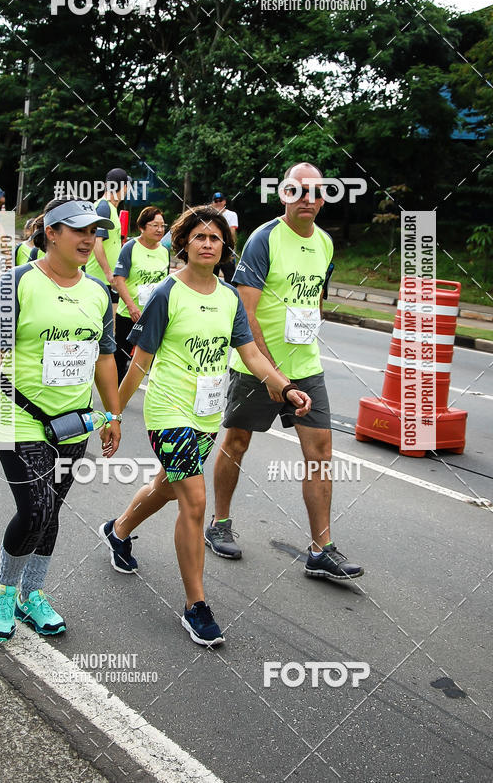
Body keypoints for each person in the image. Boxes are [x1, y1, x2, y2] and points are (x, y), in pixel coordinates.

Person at [97, 206, 311, 646]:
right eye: (200, 237)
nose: (208, 243)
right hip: (169, 411)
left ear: (224, 248)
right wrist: (114, 414)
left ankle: (118, 531)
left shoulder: (230, 297)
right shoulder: (165, 294)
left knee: (167, 485)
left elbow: (250, 355)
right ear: (185, 244)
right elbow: (140, 363)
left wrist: (284, 385)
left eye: (215, 238)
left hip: (207, 413)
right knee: (194, 500)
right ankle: (197, 606)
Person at [0, 197, 121, 643]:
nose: (90, 239)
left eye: (95, 232)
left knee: (53, 508)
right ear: (51, 233)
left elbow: (105, 358)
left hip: (73, 422)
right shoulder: (17, 283)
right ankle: (4, 591)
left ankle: (33, 594)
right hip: (16, 415)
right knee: (35, 508)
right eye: (79, 230)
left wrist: (112, 415)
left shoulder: (98, 292)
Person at [205, 162, 364, 582]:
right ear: (285, 195)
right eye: (299, 191)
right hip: (257, 365)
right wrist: (273, 373)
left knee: (320, 453)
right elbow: (246, 311)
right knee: (236, 442)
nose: (308, 199)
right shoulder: (264, 239)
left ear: (326, 197)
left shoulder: (326, 244)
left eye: (316, 192)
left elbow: (314, 299)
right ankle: (219, 523)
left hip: (306, 366)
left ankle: (321, 549)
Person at [111, 206, 170, 382]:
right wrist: (131, 306)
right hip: (129, 314)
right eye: (154, 225)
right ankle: (115, 397)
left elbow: (165, 284)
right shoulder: (130, 247)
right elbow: (118, 279)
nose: (160, 229)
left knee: (153, 357)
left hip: (153, 315)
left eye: (162, 225)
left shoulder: (164, 251)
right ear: (142, 227)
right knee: (121, 358)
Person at [85, 167, 129, 297]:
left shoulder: (110, 208)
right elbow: (97, 242)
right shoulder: (103, 208)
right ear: (125, 187)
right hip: (100, 278)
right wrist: (108, 272)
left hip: (108, 278)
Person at [211, 192, 238, 283]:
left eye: (220, 200)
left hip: (226, 250)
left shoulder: (232, 215)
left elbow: (232, 233)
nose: (218, 203)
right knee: (211, 277)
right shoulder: (209, 216)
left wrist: (231, 249)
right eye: (216, 201)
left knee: (230, 279)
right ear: (213, 203)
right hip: (213, 250)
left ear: (225, 202)